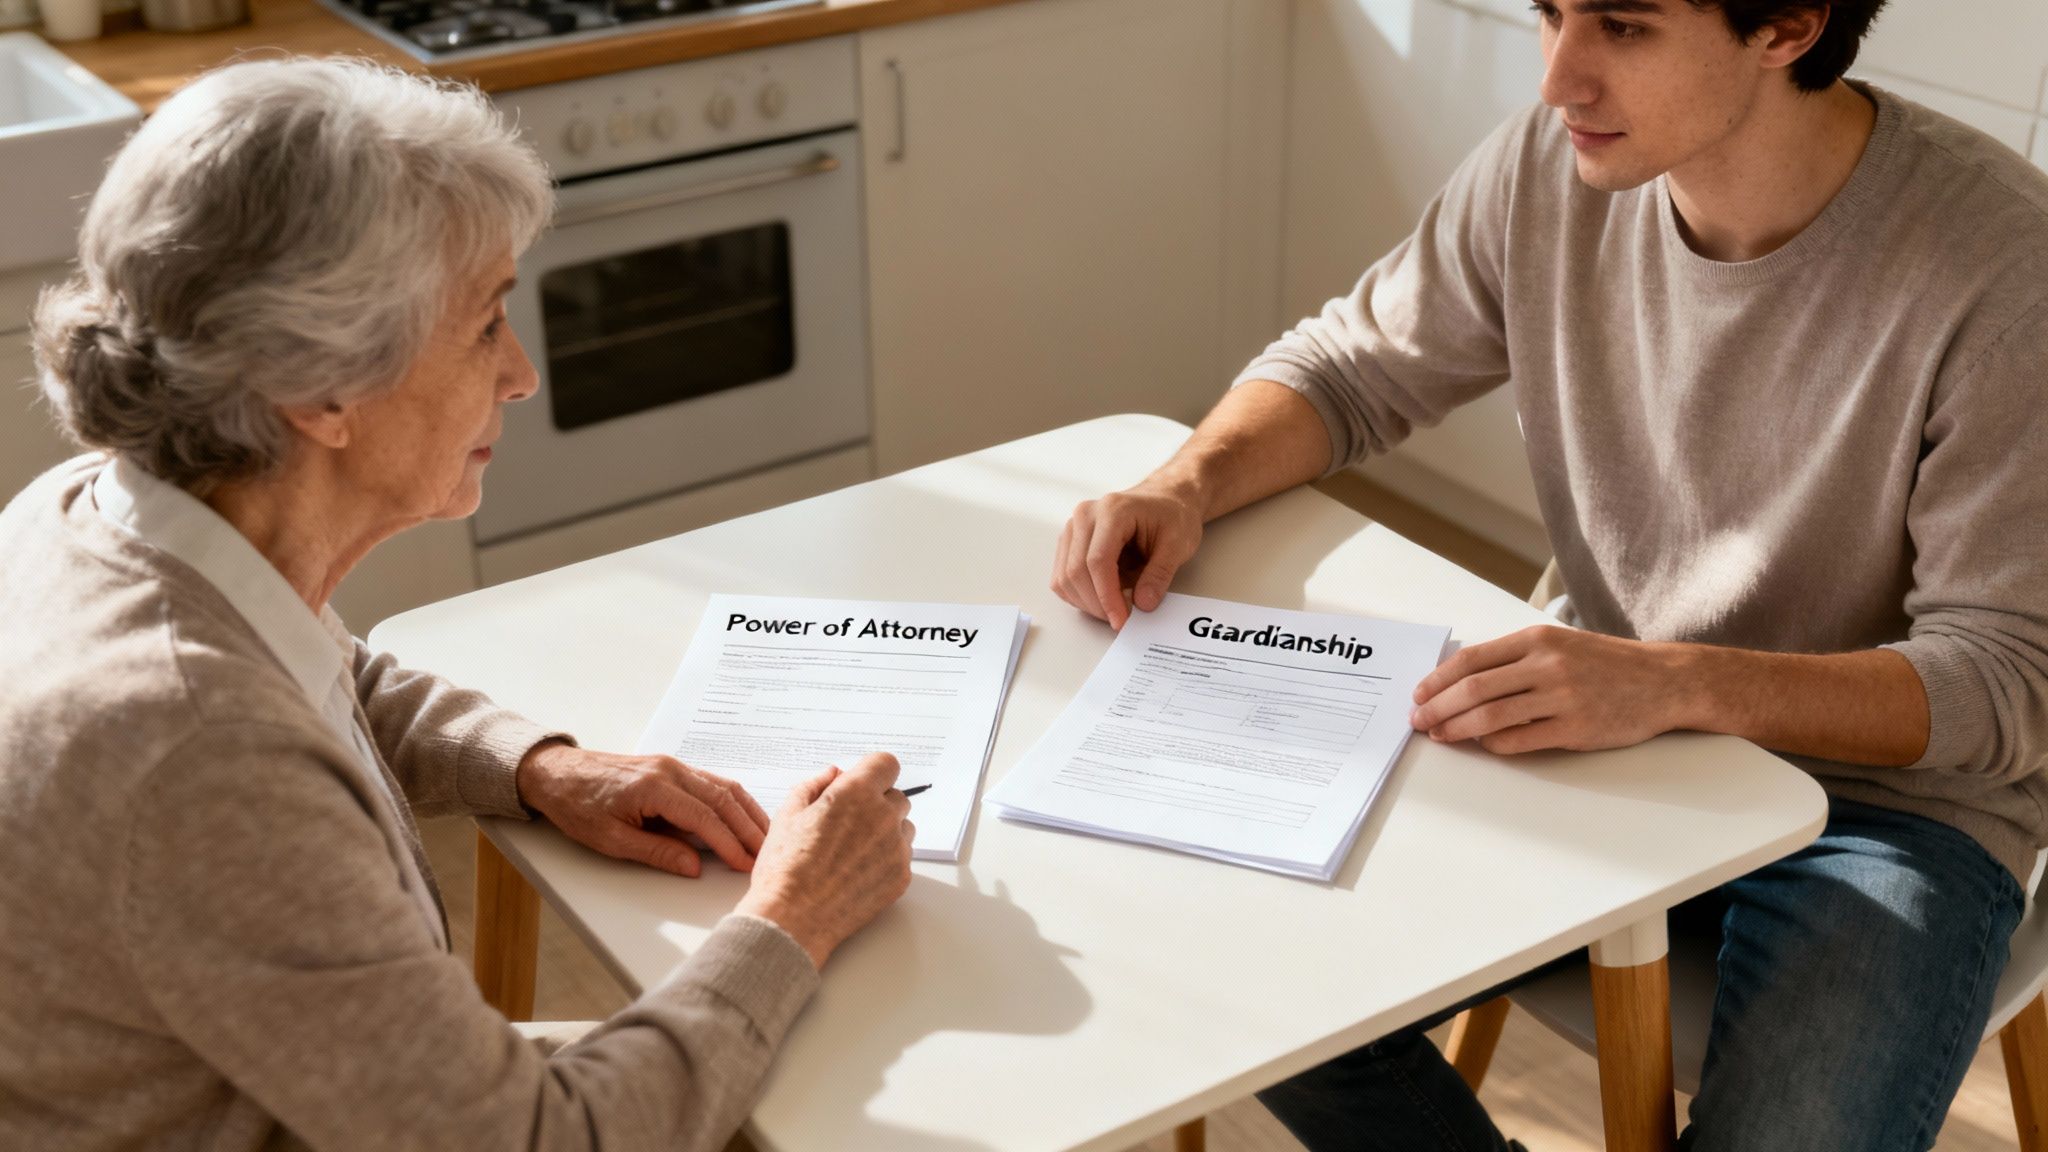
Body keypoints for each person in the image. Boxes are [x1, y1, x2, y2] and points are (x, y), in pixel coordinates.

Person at [1052, 0, 2048, 1148]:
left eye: (1621, 26)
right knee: (1220, 952)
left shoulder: (2004, 275)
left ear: (1784, 26)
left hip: (1882, 814)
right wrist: (1185, 482)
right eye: (1550, 12)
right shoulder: (1556, 168)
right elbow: (1348, 370)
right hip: (1594, 741)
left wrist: (1669, 682)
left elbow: (2006, 685)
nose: (1557, 79)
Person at [0, 58, 914, 1152]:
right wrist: (794, 912)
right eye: (485, 324)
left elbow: (324, 678)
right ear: (321, 390)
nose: (522, 374)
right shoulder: (195, 754)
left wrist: (539, 768)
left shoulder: (92, 512)